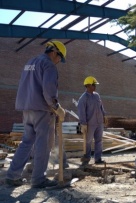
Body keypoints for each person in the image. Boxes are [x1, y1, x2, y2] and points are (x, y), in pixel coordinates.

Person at [6, 40, 67, 188]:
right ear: (54, 52)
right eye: (60, 58)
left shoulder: (30, 62)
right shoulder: (49, 65)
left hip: (27, 108)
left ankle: (12, 175)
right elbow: (48, 90)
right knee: (43, 144)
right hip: (42, 110)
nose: (59, 61)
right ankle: (38, 179)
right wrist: (57, 107)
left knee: (27, 142)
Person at [77, 76, 106, 166]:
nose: (95, 87)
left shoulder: (97, 95)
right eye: (94, 85)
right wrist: (83, 124)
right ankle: (86, 158)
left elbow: (101, 107)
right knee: (88, 141)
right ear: (88, 85)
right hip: (90, 124)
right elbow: (81, 112)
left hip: (99, 123)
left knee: (99, 140)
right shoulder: (83, 98)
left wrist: (104, 116)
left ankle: (98, 159)